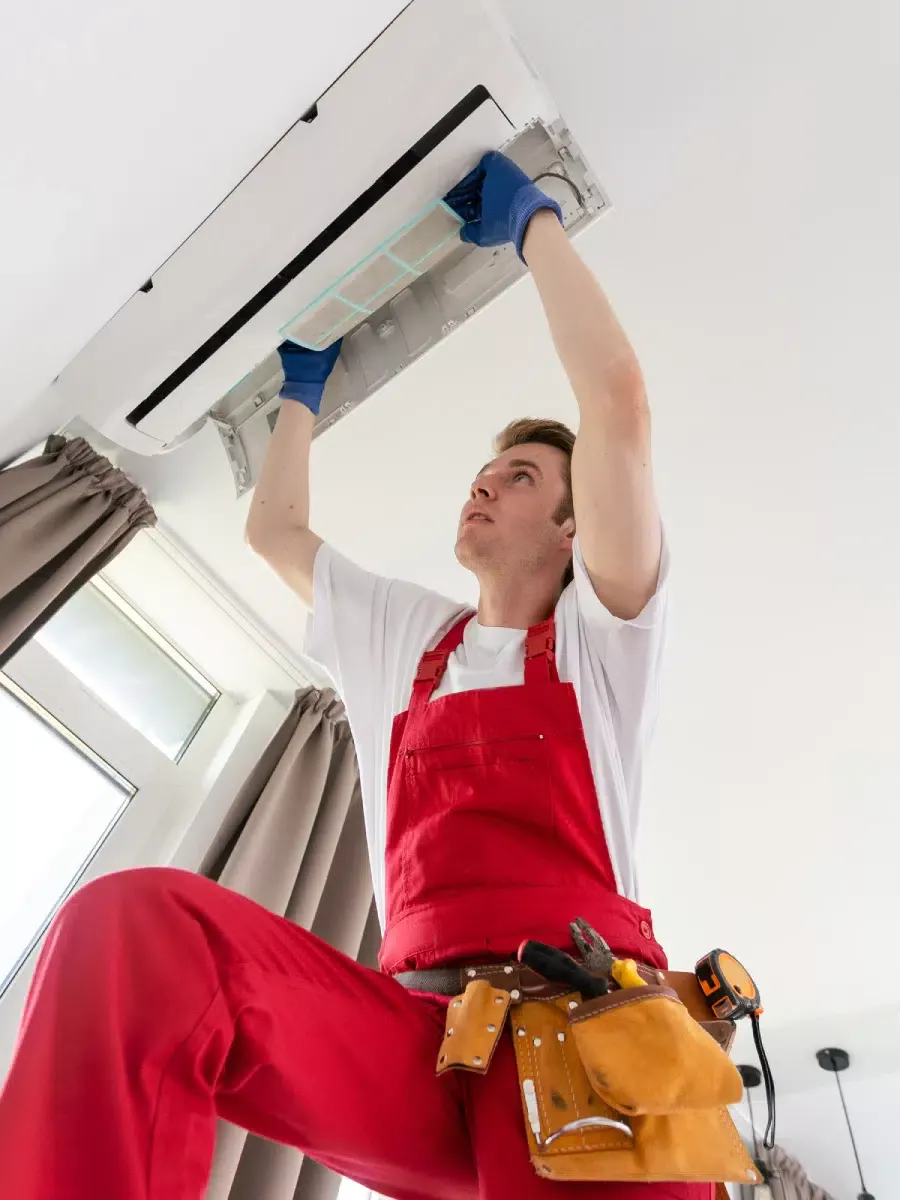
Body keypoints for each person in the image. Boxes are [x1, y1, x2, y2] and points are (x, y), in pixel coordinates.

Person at [0, 152, 703, 1199]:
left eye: (521, 480)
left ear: (571, 531)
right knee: (135, 932)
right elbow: (274, 528)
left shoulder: (606, 643)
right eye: (484, 472)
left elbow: (618, 399)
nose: (487, 487)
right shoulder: (406, 642)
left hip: (583, 1045)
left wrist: (535, 226)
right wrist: (298, 395)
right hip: (420, 1041)